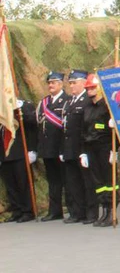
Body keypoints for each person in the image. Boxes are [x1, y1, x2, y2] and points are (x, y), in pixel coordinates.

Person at [61, 70, 95, 224]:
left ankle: (91, 213)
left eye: (74, 83)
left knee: (87, 182)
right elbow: (65, 127)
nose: (72, 86)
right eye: (70, 83)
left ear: (83, 83)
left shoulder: (87, 101)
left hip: (82, 148)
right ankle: (77, 212)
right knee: (73, 182)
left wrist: (84, 151)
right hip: (69, 148)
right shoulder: (70, 102)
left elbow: (86, 128)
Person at [81, 74, 115, 227]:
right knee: (98, 181)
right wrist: (83, 151)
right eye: (88, 88)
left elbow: (115, 132)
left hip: (105, 146)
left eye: (92, 87)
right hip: (91, 146)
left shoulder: (107, 105)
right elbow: (83, 129)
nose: (90, 90)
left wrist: (115, 151)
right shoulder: (87, 106)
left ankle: (111, 211)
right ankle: (104, 210)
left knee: (109, 180)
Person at [36, 71, 66, 222]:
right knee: (53, 180)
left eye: (53, 82)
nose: (50, 85)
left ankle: (76, 209)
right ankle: (55, 211)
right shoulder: (44, 102)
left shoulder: (67, 100)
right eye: (49, 83)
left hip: (61, 148)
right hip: (48, 148)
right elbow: (39, 125)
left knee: (67, 180)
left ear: (61, 84)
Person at [0, 97, 36, 222]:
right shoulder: (1, 107)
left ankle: (28, 210)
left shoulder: (24, 105)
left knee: (23, 183)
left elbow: (32, 122)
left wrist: (21, 109)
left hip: (20, 151)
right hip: (4, 152)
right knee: (10, 185)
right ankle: (17, 209)